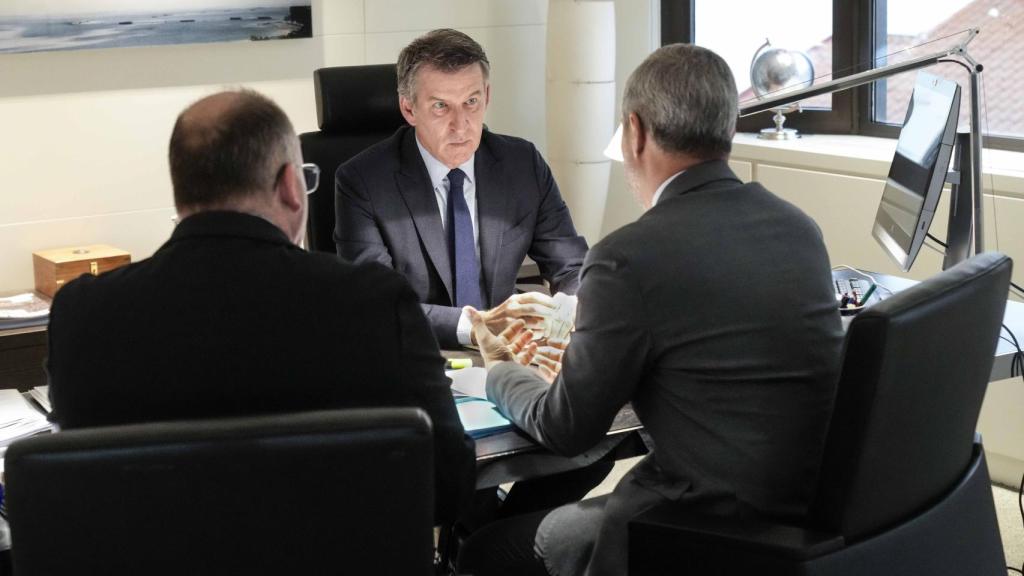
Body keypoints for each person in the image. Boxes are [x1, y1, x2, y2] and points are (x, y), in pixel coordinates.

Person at [457, 44, 845, 576]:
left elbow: (568, 427)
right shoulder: (799, 227)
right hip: (802, 511)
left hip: (695, 525)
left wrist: (499, 373)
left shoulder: (627, 258)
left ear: (635, 132)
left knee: (484, 551)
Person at [45, 89, 475, 524]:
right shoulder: (372, 302)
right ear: (291, 186)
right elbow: (448, 487)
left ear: (181, 193)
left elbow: (81, 499)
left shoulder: (83, 314)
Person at [335, 28, 589, 350]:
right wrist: (479, 328)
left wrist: (572, 308)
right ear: (409, 109)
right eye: (441, 106)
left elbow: (572, 265)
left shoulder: (522, 164)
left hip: (510, 349)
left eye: (471, 101)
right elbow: (378, 303)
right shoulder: (363, 181)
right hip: (416, 350)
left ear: (487, 95)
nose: (461, 124)